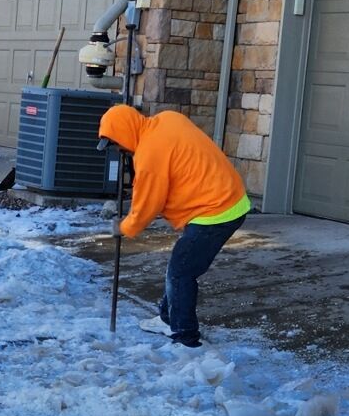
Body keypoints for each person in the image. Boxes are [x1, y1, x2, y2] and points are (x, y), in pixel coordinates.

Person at [98, 105, 250, 349]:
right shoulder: (167, 118)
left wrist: (123, 227)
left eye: (117, 144)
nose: (120, 150)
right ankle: (167, 318)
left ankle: (185, 337)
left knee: (181, 272)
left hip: (215, 211)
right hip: (229, 197)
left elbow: (147, 205)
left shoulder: (149, 155)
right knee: (180, 266)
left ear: (125, 133)